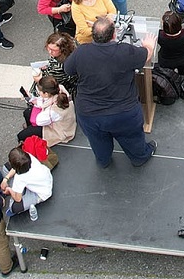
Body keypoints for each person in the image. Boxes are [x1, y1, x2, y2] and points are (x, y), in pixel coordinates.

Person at [63, 14, 156, 167]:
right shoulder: (125, 51)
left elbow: (68, 70)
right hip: (123, 113)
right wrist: (149, 45)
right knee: (132, 138)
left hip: (88, 113)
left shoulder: (82, 52)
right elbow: (146, 55)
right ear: (114, 34)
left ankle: (103, 161)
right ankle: (139, 157)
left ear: (93, 35)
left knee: (98, 142)